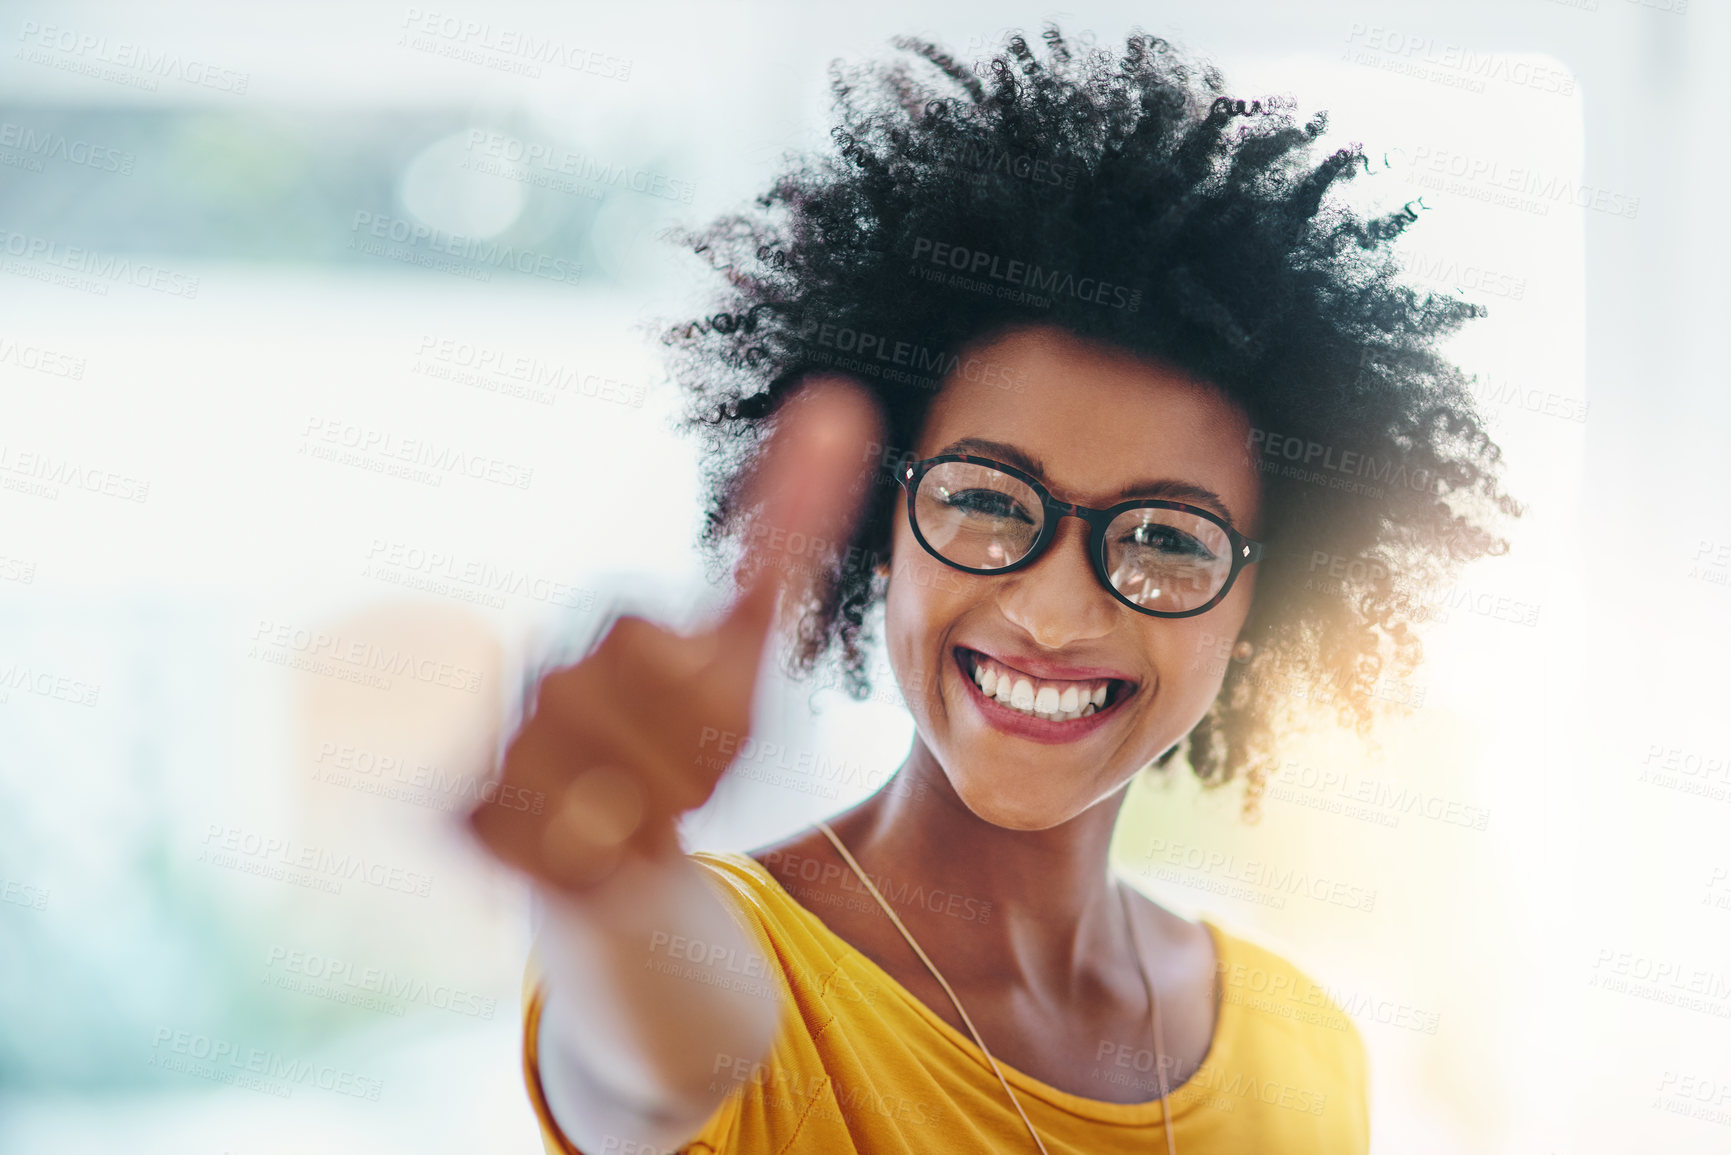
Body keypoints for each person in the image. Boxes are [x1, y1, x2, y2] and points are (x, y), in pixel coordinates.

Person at [468, 25, 1519, 1154]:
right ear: (882, 532)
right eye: (987, 501)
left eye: (1167, 536)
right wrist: (607, 881)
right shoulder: (723, 955)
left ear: (1263, 608)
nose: (1055, 614)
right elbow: (660, 1059)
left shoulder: (1300, 1048)